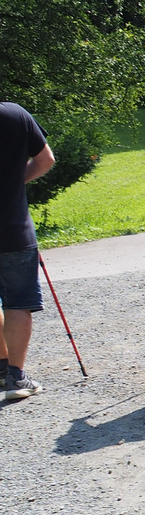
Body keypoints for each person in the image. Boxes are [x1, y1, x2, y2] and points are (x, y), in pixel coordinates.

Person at [0, 101, 55, 400]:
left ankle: (0, 366)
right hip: (13, 227)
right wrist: (12, 183)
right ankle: (16, 378)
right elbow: (45, 159)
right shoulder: (15, 114)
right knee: (18, 303)